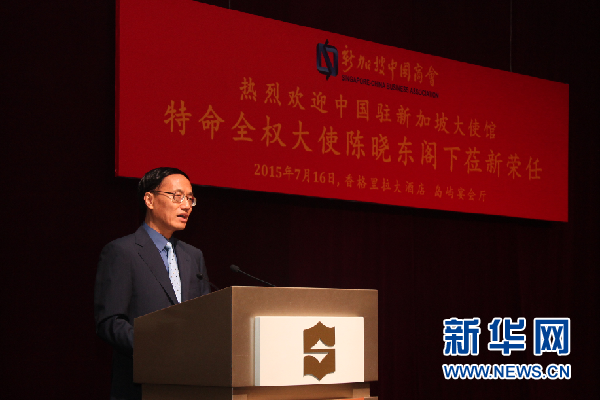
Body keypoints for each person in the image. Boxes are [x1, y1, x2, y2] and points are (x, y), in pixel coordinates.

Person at [94, 167, 210, 400]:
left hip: (190, 384)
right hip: (140, 385)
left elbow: (206, 316)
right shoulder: (122, 252)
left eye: (190, 198)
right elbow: (110, 322)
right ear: (149, 199)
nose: (186, 205)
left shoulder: (193, 256)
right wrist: (157, 347)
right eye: (177, 196)